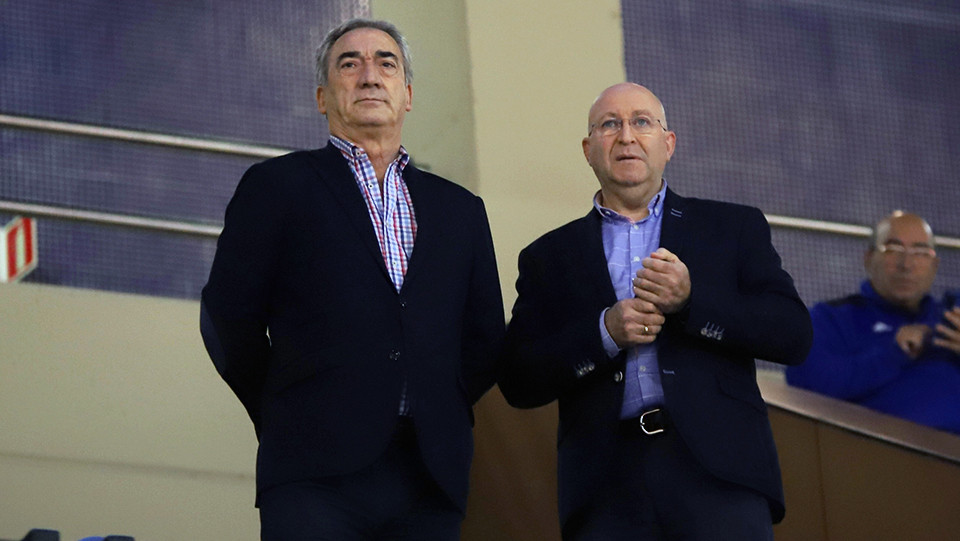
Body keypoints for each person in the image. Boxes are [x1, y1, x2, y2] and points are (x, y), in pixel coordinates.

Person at [200, 18, 504, 540]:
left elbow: (484, 340)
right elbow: (229, 318)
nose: (369, 75)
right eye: (350, 63)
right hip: (312, 473)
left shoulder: (461, 209)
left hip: (429, 477)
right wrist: (284, 409)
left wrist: (438, 403)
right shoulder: (276, 186)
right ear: (322, 97)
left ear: (407, 95)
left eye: (386, 63)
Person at [497, 83, 812, 540]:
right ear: (588, 150)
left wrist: (691, 302)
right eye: (610, 125)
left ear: (668, 144)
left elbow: (793, 335)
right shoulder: (549, 256)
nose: (626, 136)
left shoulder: (731, 228)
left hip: (719, 477)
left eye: (641, 122)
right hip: (606, 488)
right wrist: (603, 333)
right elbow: (518, 379)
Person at [786, 211, 960, 434]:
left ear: (934, 265)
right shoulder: (832, 318)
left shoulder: (950, 318)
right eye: (893, 249)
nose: (906, 264)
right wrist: (892, 355)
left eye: (920, 252)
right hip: (879, 455)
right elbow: (805, 384)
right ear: (868, 259)